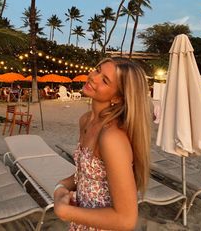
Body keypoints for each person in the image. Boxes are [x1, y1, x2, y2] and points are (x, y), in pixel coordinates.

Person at [54, 57, 151, 230]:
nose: (93, 77)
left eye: (105, 80)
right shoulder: (86, 120)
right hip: (82, 223)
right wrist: (61, 186)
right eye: (98, 70)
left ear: (118, 98)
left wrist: (65, 212)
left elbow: (126, 220)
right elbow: (85, 174)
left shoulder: (112, 138)